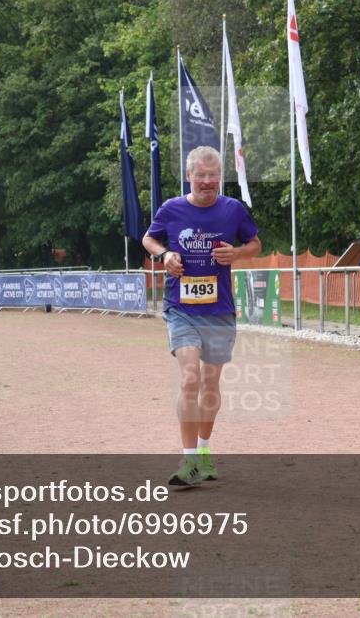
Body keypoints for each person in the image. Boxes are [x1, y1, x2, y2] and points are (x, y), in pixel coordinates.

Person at [142, 146, 261, 486]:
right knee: (190, 379)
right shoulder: (172, 209)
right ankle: (189, 460)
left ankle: (206, 455)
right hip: (181, 309)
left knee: (210, 384)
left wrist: (237, 252)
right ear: (189, 176)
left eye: (213, 176)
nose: (207, 181)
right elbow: (148, 239)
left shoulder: (233, 210)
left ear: (218, 177)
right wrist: (164, 255)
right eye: (201, 175)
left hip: (220, 311)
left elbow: (255, 244)